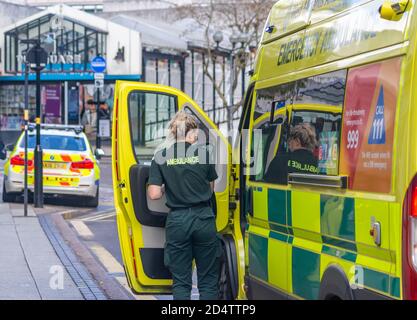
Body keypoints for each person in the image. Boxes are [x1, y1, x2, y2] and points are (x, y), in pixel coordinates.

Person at [147, 111, 221, 300]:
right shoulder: (203, 153)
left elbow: (154, 194)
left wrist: (165, 188)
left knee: (180, 281)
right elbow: (210, 189)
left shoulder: (160, 156)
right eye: (196, 132)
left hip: (178, 221)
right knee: (208, 280)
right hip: (204, 218)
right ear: (191, 133)